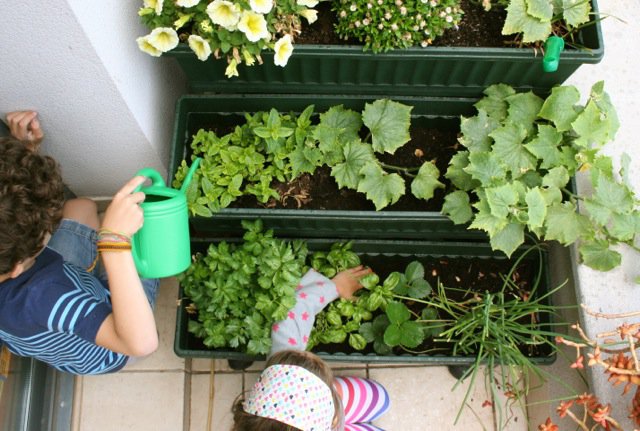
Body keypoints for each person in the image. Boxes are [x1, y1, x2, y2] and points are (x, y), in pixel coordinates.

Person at [0, 111, 159, 374]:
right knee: (149, 231)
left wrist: (22, 156)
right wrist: (114, 243)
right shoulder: (42, 297)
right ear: (18, 267)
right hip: (113, 346)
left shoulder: (19, 276)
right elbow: (141, 343)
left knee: (81, 207)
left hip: (69, 287)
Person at [231, 266, 391, 431]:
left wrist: (335, 286)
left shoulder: (283, 372)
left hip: (324, 416)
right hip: (331, 420)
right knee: (380, 399)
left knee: (381, 398)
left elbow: (294, 311)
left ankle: (335, 408)